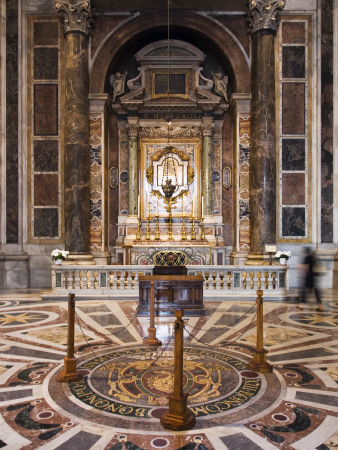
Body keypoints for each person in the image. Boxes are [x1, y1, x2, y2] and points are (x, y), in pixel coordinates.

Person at [299, 247, 323, 311]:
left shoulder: (307, 257)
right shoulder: (314, 258)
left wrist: (304, 273)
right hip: (314, 276)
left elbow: (307, 267)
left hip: (309, 276)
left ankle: (301, 305)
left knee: (303, 291)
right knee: (316, 291)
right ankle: (320, 305)